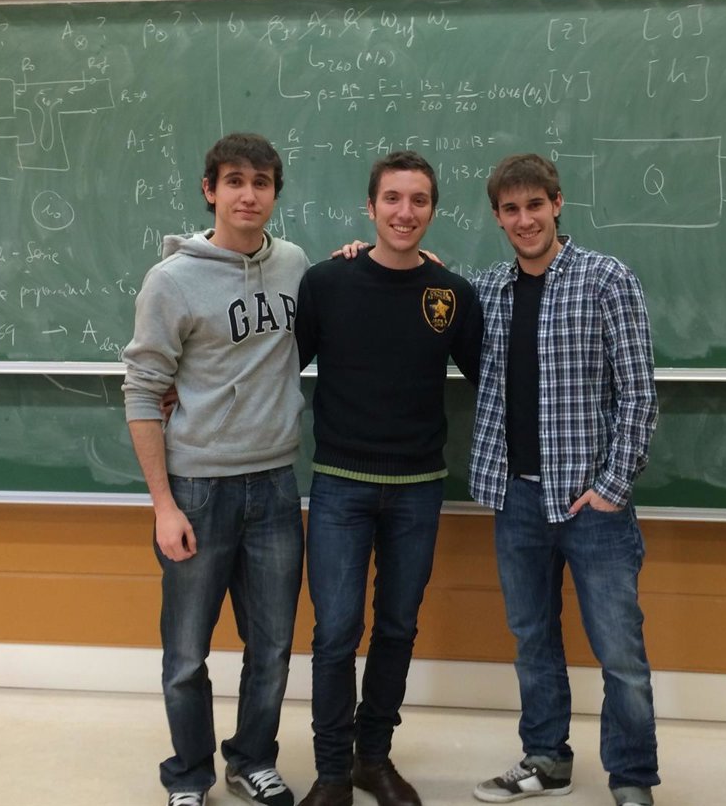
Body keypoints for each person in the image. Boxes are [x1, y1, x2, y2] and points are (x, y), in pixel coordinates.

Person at [468, 154, 661, 806]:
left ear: (557, 204)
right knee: (533, 642)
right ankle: (546, 760)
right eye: (511, 209)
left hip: (591, 504)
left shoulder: (606, 279)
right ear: (498, 217)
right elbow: (423, 293)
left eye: (535, 205)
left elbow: (639, 395)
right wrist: (362, 255)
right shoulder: (488, 290)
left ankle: (632, 778)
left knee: (620, 653)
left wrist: (612, 487)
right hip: (516, 498)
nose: (525, 220)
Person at [122, 132, 308, 806]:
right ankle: (189, 775)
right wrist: (163, 505)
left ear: (275, 194)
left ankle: (252, 759)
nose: (248, 195)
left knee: (273, 647)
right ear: (210, 190)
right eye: (234, 181)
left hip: (276, 486)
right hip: (197, 491)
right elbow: (142, 393)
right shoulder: (171, 280)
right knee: (186, 654)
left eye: (261, 183)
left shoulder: (295, 264)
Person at [294, 151, 483, 806]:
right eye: (393, 199)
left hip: (418, 488)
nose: (406, 212)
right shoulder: (326, 282)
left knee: (398, 627)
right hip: (340, 484)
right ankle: (330, 773)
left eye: (419, 200)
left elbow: (491, 376)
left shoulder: (451, 294)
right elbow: (277, 366)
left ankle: (372, 759)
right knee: (335, 634)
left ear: (433, 210)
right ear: (370, 208)